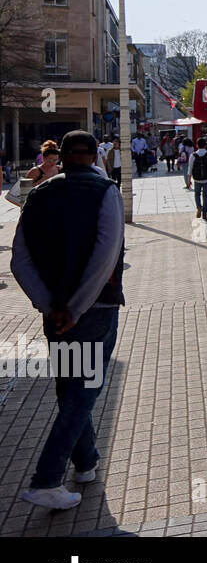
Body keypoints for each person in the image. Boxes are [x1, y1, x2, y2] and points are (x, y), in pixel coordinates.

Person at [10, 130, 124, 511]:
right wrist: (75, 308)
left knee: (69, 387)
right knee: (83, 392)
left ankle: (86, 461)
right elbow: (104, 259)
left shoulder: (39, 194)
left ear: (62, 155)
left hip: (55, 312)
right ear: (94, 156)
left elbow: (19, 259)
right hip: (94, 312)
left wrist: (50, 306)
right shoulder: (105, 192)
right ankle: (46, 479)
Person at [5, 140, 61, 206]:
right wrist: (41, 180)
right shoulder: (35, 171)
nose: (53, 162)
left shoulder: (59, 169)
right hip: (37, 206)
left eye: (56, 160)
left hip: (55, 205)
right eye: (50, 160)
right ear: (43, 158)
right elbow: (24, 191)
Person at [188, 137, 207, 220]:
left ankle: (199, 207)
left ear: (197, 145)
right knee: (205, 196)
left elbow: (190, 168)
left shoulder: (193, 155)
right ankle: (204, 213)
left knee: (197, 194)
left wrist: (188, 180)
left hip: (197, 179)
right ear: (205, 145)